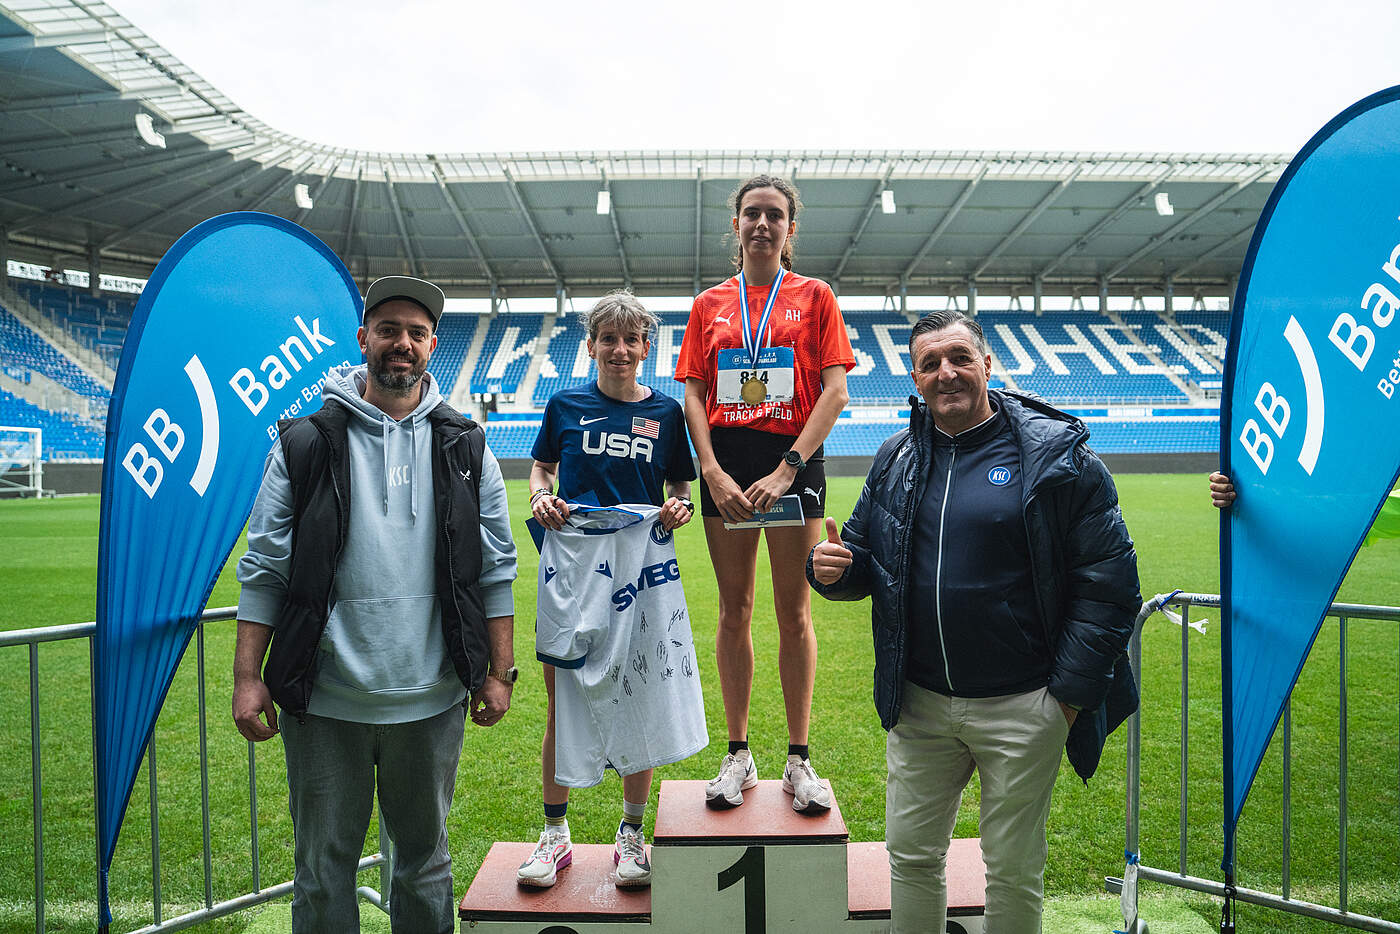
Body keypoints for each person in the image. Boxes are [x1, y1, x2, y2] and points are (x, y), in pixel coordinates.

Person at [808, 309, 1141, 933]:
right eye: (930, 363)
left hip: (1024, 705)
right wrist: (830, 569)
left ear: (987, 364)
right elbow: (862, 557)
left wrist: (1065, 701)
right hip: (920, 706)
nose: (947, 373)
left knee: (1012, 869)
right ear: (915, 378)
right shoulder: (896, 458)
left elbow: (1110, 586)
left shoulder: (1058, 458)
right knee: (910, 858)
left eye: (960, 358)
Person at [231, 275, 518, 934]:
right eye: (389, 330)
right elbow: (265, 568)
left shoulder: (467, 446)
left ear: (433, 346)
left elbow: (496, 568)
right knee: (321, 873)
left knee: (424, 867)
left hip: (432, 699)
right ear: (364, 339)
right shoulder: (302, 443)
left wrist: (499, 673)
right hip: (324, 701)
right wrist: (248, 677)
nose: (402, 344)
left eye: (417, 333)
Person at [675, 174, 855, 813]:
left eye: (774, 215)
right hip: (727, 465)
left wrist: (787, 469)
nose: (761, 224)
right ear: (736, 225)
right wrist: (711, 471)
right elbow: (693, 393)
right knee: (734, 609)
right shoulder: (709, 303)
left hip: (793, 460)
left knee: (794, 612)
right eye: (751, 213)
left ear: (789, 228)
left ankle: (799, 759)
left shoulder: (815, 296)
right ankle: (739, 754)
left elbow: (835, 391)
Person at [518, 290, 699, 889]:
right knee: (562, 701)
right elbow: (541, 469)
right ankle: (555, 834)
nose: (619, 350)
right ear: (591, 346)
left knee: (639, 696)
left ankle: (631, 833)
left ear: (646, 348)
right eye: (608, 339)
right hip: (572, 570)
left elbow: (679, 488)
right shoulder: (565, 404)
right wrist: (540, 496)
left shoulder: (667, 413)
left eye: (631, 340)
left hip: (638, 573)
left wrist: (679, 508)